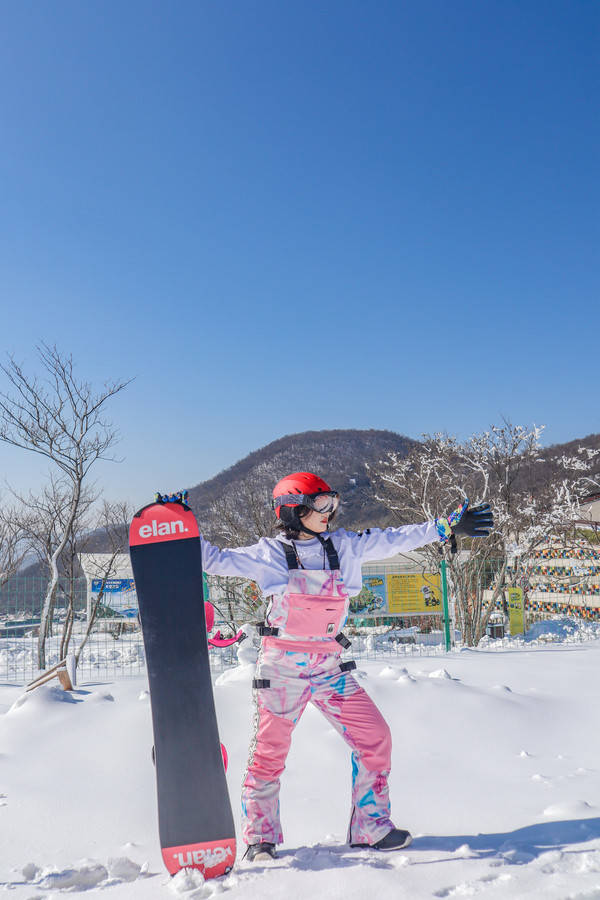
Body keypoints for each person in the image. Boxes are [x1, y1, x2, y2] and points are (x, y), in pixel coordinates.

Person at [200, 472, 493, 862]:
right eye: (321, 505)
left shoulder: (346, 547)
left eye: (332, 503)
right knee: (269, 754)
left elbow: (395, 538)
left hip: (329, 668)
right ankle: (261, 838)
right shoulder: (267, 554)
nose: (330, 512)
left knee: (375, 737)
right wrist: (175, 520)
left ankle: (371, 828)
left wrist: (441, 527)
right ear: (293, 510)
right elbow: (214, 560)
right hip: (281, 670)